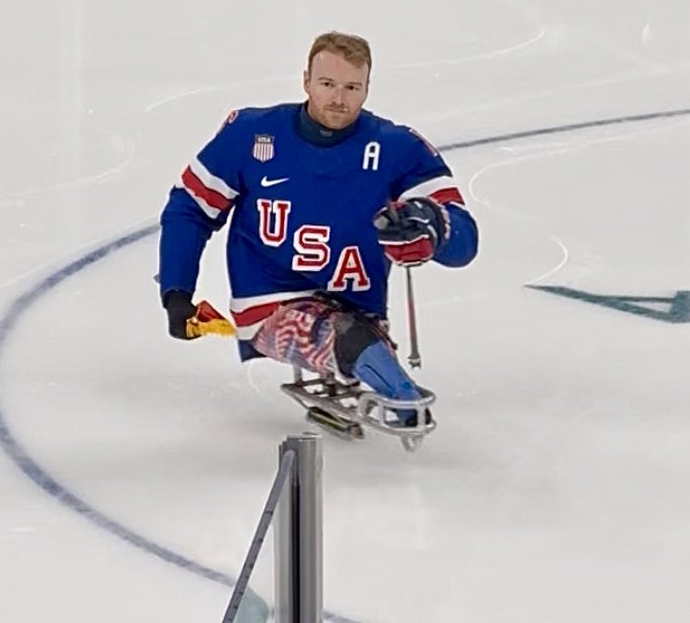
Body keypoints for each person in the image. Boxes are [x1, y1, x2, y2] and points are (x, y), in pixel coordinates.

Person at [158, 31, 478, 424]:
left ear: (367, 88)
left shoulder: (398, 147)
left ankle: (385, 380)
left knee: (355, 337)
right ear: (306, 81)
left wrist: (432, 227)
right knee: (348, 339)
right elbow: (190, 208)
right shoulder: (251, 134)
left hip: (359, 304)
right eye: (327, 84)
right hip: (270, 305)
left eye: (352, 87)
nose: (339, 98)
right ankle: (401, 397)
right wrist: (177, 291)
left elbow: (465, 239)